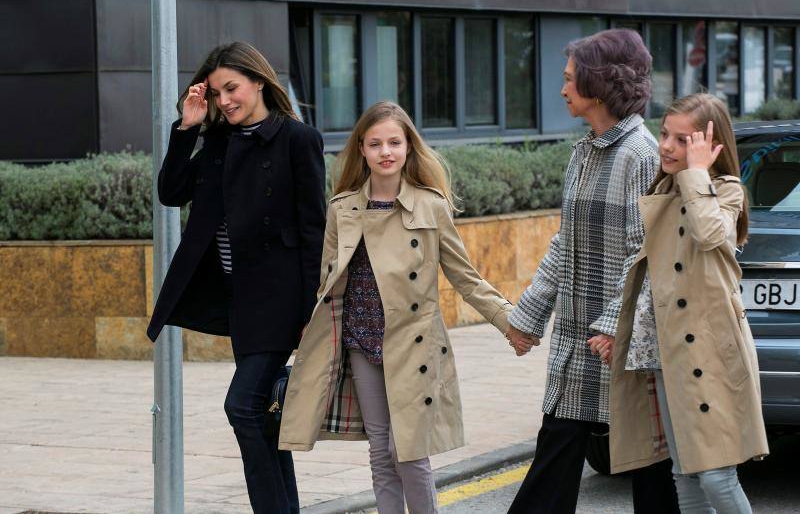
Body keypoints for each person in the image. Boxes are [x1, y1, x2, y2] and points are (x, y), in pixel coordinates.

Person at [278, 101, 513, 514]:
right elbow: (328, 282)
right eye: (375, 144)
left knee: (409, 452)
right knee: (380, 452)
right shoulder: (342, 208)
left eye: (394, 142)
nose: (385, 152)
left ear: (408, 147)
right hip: (360, 341)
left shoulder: (431, 206)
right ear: (362, 151)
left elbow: (465, 277)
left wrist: (509, 322)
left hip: (413, 344)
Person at [146, 41, 326, 514]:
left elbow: (315, 232)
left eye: (233, 88)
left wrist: (314, 311)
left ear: (258, 82)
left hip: (282, 300)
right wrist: (187, 126)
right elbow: (170, 192)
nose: (226, 101)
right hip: (239, 300)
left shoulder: (297, 140)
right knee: (263, 416)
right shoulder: (219, 142)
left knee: (242, 407)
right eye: (218, 92)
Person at [506, 29, 680, 514]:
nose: (561, 90)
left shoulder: (641, 155)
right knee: (557, 449)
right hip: (577, 339)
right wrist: (529, 316)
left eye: (569, 79)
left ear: (599, 83)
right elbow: (566, 243)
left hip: (621, 344)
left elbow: (641, 253)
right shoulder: (584, 153)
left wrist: (611, 326)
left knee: (648, 467)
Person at [590, 93, 769, 513]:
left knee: (717, 476)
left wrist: (696, 174)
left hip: (712, 355)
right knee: (685, 475)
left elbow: (710, 234)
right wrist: (623, 332)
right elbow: (652, 283)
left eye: (683, 140)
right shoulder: (666, 193)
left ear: (711, 147)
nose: (667, 146)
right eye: (666, 134)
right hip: (672, 357)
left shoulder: (723, 191)